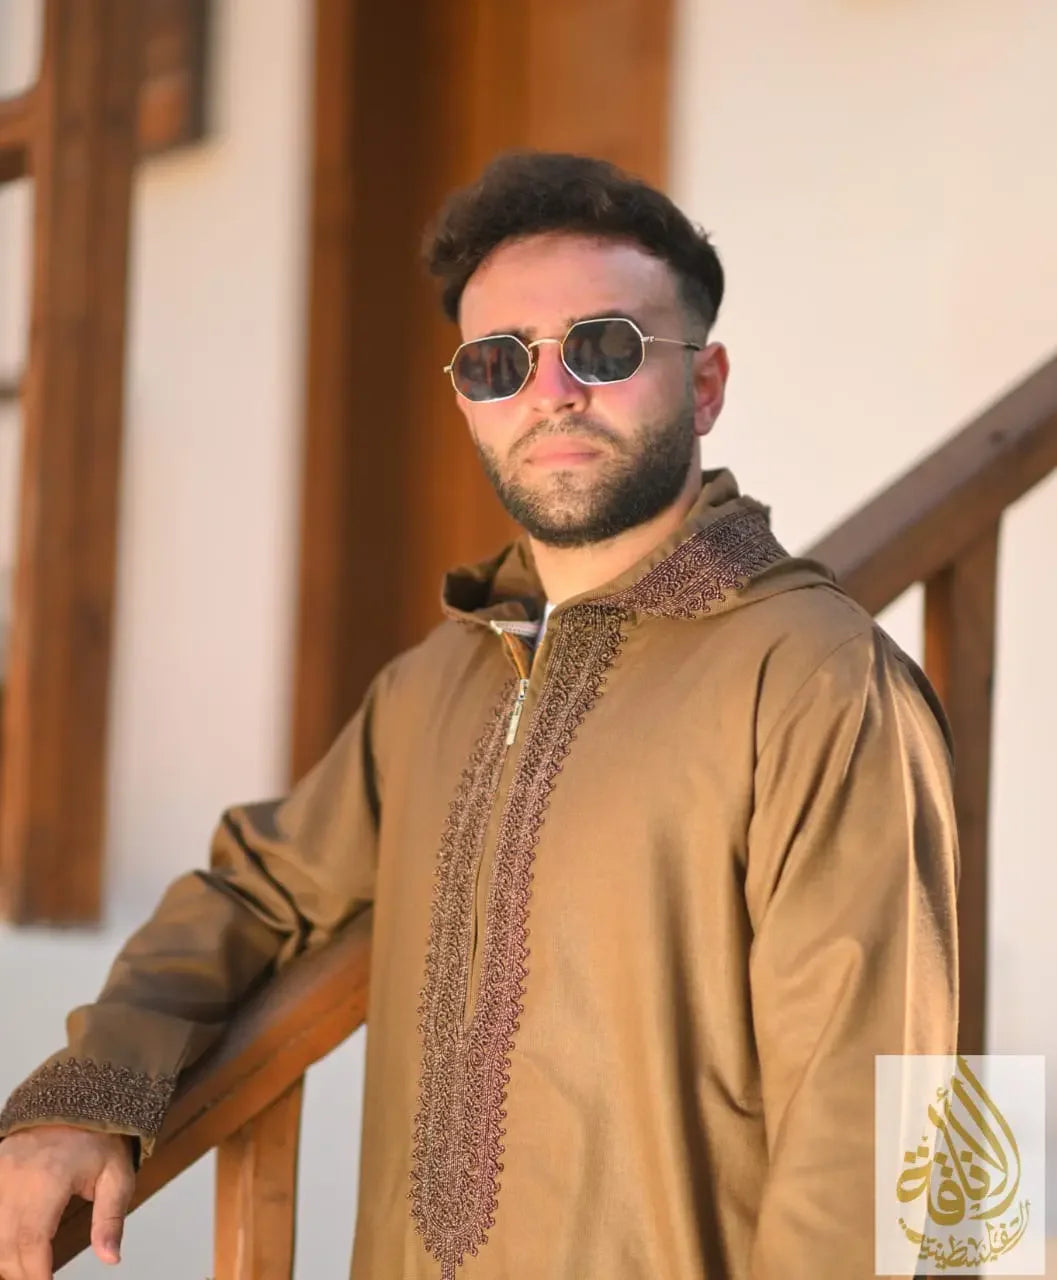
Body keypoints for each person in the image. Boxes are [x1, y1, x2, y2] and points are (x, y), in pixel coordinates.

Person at [0, 151, 958, 1280]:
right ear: (467, 399)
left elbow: (900, 1122)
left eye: (603, 346)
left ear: (703, 384)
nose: (550, 392)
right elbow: (252, 890)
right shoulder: (440, 679)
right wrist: (85, 1093)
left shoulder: (820, 675)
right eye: (500, 362)